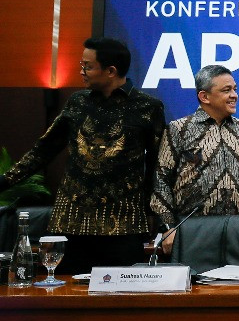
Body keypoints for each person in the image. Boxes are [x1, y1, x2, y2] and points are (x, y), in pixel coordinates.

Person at [0, 37, 164, 274]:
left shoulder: (148, 107)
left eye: (88, 66)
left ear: (111, 71)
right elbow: (43, 150)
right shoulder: (77, 102)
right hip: (70, 223)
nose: (81, 72)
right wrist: (5, 181)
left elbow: (157, 164)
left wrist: (153, 215)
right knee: (64, 291)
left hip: (124, 225)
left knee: (122, 293)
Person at [151, 65, 239, 255]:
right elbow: (161, 180)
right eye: (226, 90)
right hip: (191, 231)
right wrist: (167, 227)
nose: (234, 95)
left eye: (235, 89)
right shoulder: (179, 129)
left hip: (238, 231)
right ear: (204, 96)